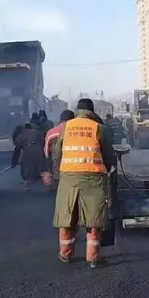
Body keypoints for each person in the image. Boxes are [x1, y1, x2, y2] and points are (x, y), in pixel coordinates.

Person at [51, 98, 117, 268]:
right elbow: (109, 156)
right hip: (93, 178)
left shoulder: (65, 127)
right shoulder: (99, 128)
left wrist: (57, 177)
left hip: (68, 178)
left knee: (67, 217)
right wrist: (109, 169)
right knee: (93, 219)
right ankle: (93, 258)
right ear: (92, 112)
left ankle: (65, 255)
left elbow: (57, 154)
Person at [43, 109, 75, 188]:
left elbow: (46, 152)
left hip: (56, 169)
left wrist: (48, 170)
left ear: (60, 119)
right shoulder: (75, 131)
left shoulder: (51, 132)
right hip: (74, 170)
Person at [11, 123, 46, 190]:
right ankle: (48, 183)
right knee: (43, 169)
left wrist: (14, 163)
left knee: (29, 171)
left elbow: (16, 152)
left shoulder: (20, 137)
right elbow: (44, 141)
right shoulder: (36, 132)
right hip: (41, 153)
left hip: (29, 155)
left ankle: (28, 185)